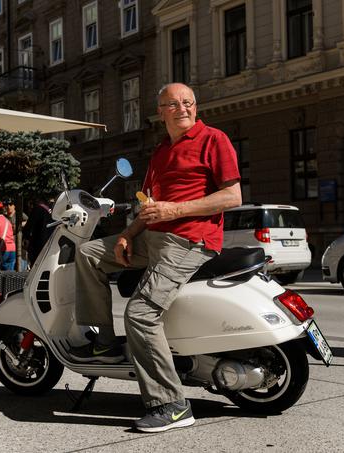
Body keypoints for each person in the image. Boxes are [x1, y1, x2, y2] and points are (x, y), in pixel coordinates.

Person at [69, 82, 241, 433]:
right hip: (152, 236)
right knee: (88, 253)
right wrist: (128, 236)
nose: (183, 108)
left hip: (189, 240)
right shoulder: (161, 150)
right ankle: (104, 344)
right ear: (160, 111)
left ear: (196, 106)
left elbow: (232, 197)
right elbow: (148, 206)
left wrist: (175, 209)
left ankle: (171, 404)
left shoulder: (213, 139)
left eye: (188, 102)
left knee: (140, 314)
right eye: (173, 104)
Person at [22, 197, 54, 266]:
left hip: (38, 245)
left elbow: (29, 226)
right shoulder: (50, 211)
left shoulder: (37, 209)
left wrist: (25, 236)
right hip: (50, 243)